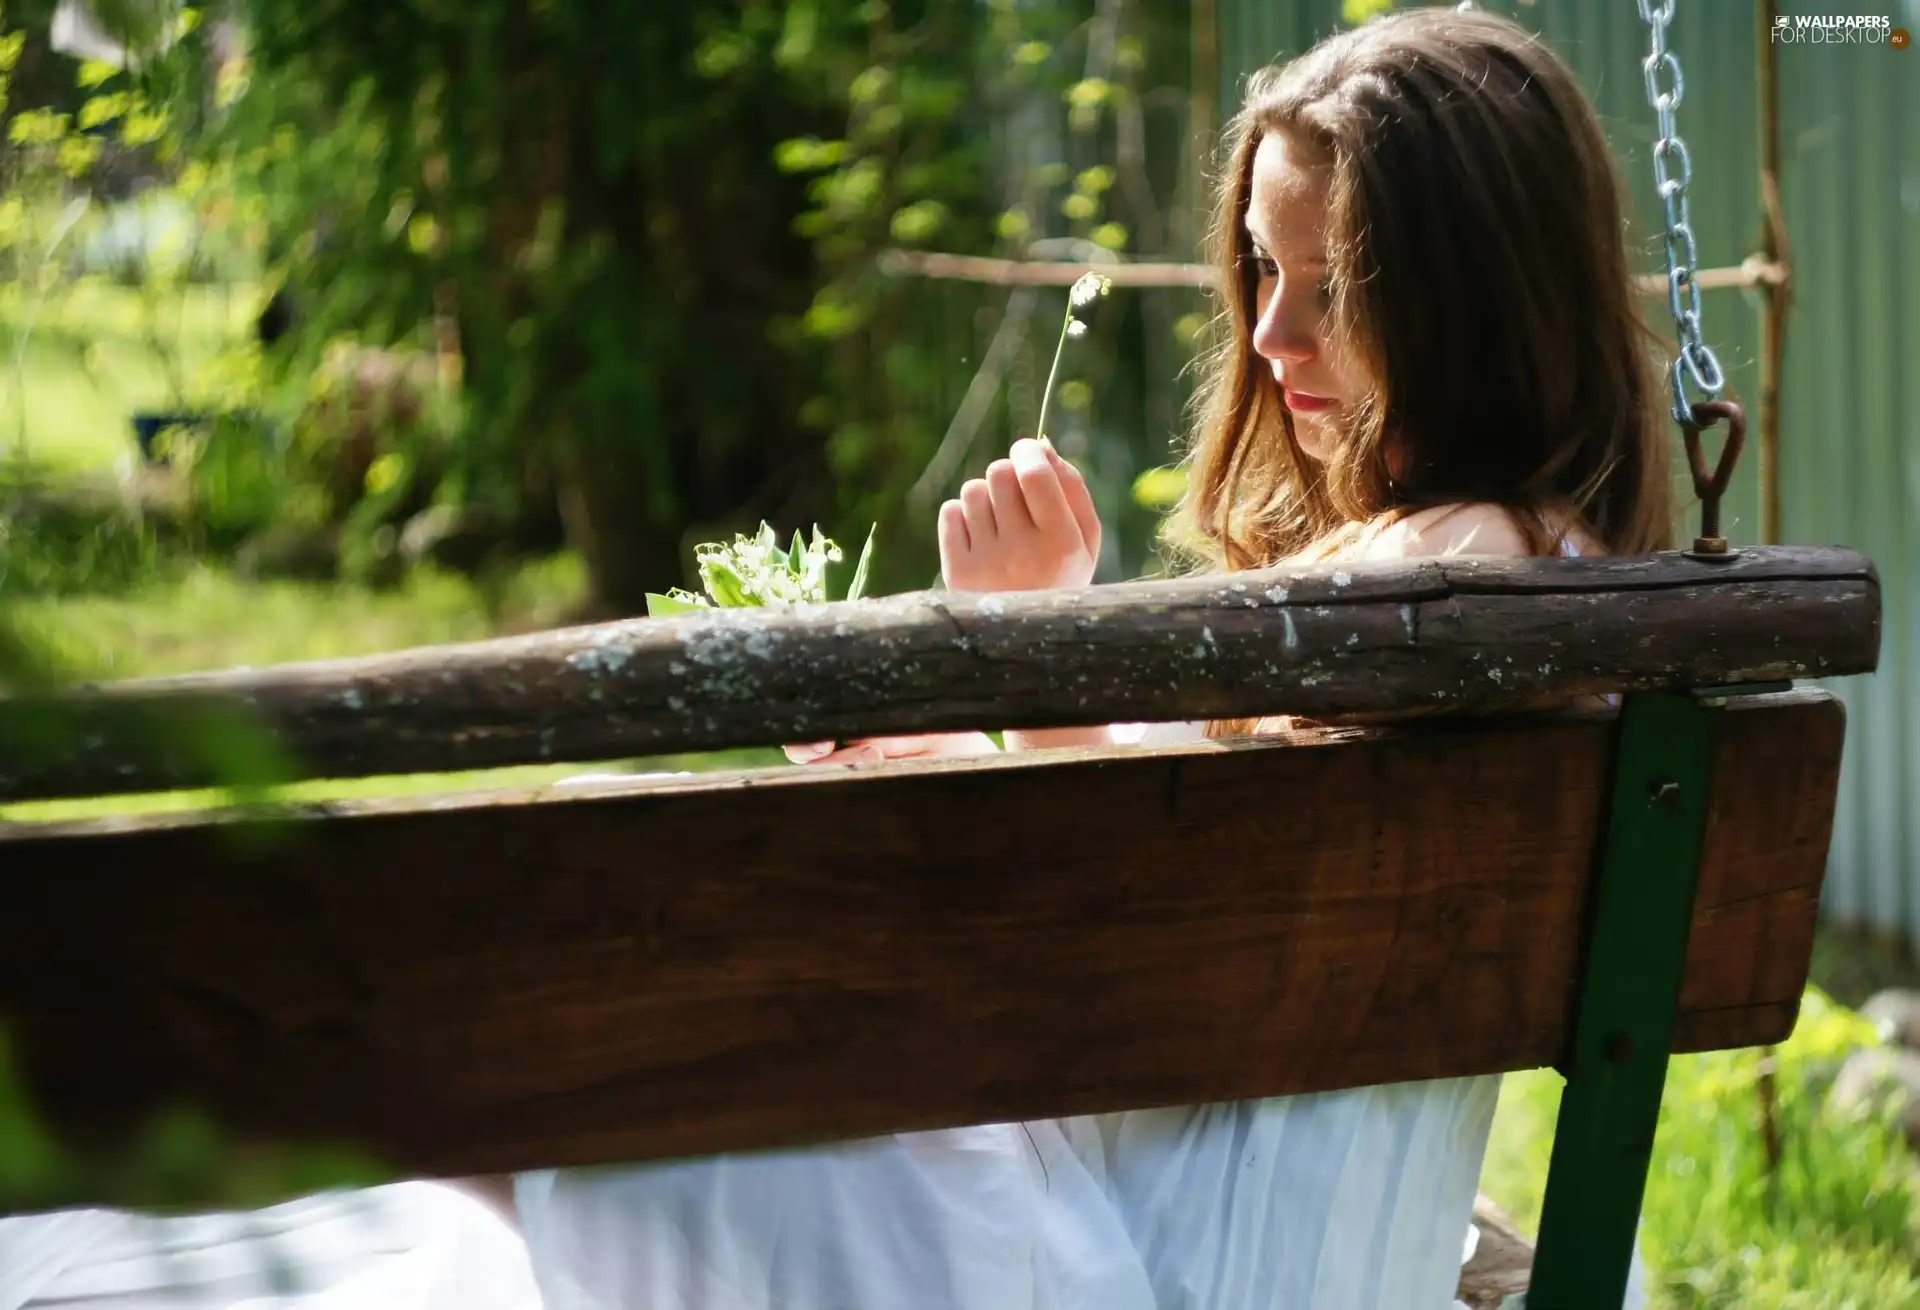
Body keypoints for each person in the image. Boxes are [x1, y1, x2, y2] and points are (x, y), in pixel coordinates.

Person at [513, 7, 1668, 1308]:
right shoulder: (1560, 573)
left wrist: (1035, 648)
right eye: (1263, 271)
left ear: (1475, 297)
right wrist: (976, 727)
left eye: (1332, 286)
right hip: (1268, 1217)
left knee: (635, 1053)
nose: (1275, 335)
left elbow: (1160, 940)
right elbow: (1219, 886)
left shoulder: (1461, 572)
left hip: (1183, 1251)